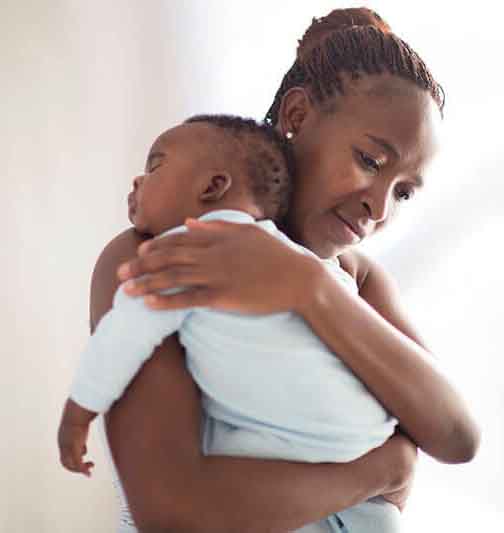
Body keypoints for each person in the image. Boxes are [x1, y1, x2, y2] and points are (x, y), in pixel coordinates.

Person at [85, 7, 480, 533]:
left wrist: (309, 286)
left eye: (403, 192)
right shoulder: (157, 254)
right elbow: (171, 508)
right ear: (295, 116)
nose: (380, 209)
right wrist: (382, 468)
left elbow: (457, 435)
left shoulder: (354, 280)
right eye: (369, 160)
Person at [59, 113, 401, 532]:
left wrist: (78, 414)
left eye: (154, 166)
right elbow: (439, 437)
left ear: (212, 187)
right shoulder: (321, 271)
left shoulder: (183, 253)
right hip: (367, 441)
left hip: (298, 456)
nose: (137, 181)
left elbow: (122, 337)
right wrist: (391, 467)